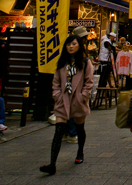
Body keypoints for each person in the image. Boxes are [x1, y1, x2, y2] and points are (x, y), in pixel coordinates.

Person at [40, 34, 95, 175]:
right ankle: (52, 164)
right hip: (63, 100)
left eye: (74, 44)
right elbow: (56, 81)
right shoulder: (62, 62)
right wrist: (57, 95)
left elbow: (89, 81)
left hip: (77, 100)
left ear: (79, 45)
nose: (71, 47)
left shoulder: (85, 61)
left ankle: (80, 153)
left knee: (79, 127)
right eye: (68, 44)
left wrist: (83, 96)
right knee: (58, 131)